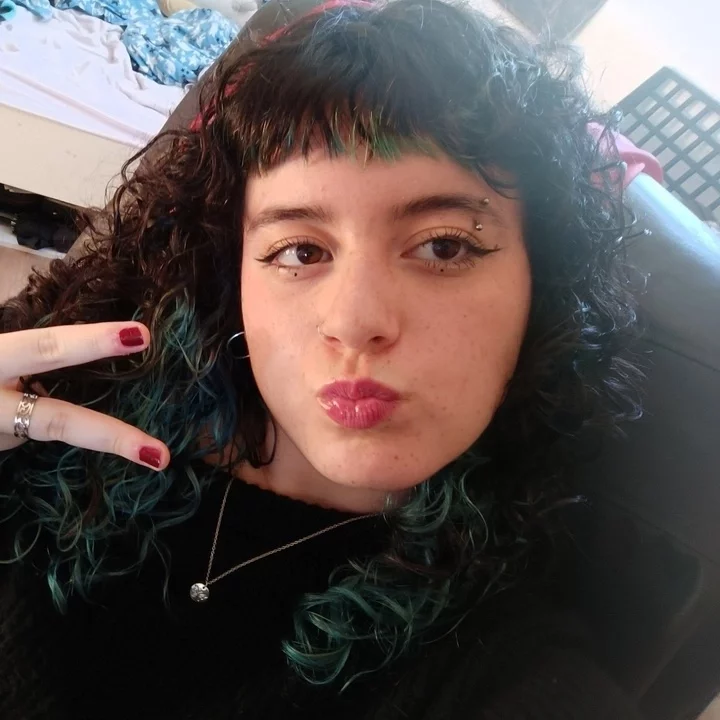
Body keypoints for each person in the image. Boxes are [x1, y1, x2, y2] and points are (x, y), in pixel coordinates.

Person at [0, 0, 647, 717]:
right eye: (301, 251)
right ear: (232, 273)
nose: (354, 322)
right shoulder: (52, 385)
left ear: (542, 284)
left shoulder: (506, 662)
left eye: (443, 246)